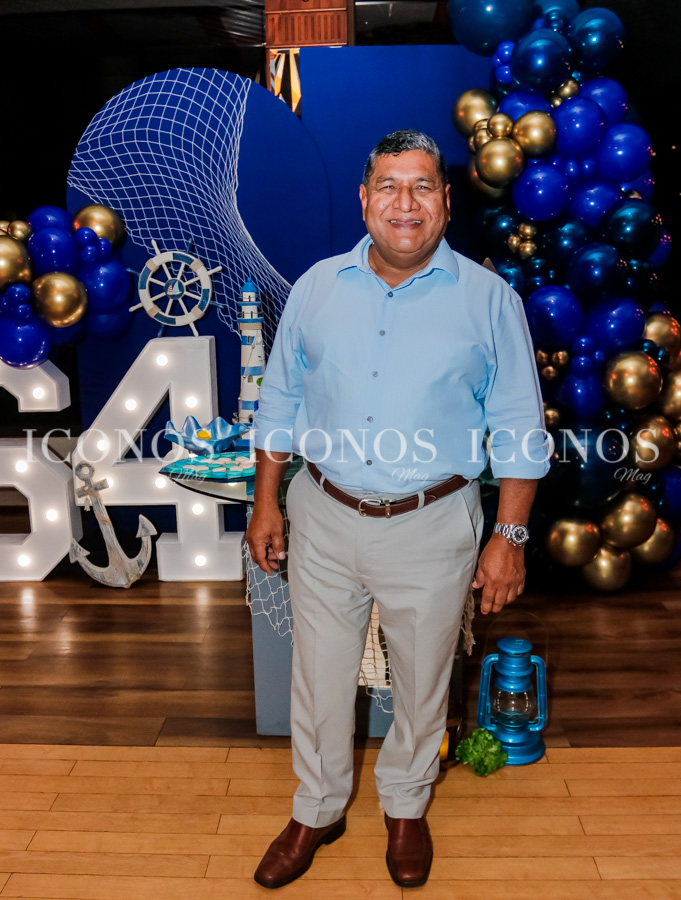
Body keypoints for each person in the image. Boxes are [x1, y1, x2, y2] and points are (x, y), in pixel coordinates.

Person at [245, 129, 550, 889]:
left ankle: (406, 806)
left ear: (445, 201)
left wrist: (509, 536)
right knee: (317, 677)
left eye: (421, 186)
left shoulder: (489, 300)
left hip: (434, 523)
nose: (404, 203)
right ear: (364, 199)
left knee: (422, 680)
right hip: (322, 512)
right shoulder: (316, 287)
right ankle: (318, 808)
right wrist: (265, 501)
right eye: (388, 186)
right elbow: (279, 400)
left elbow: (519, 425)